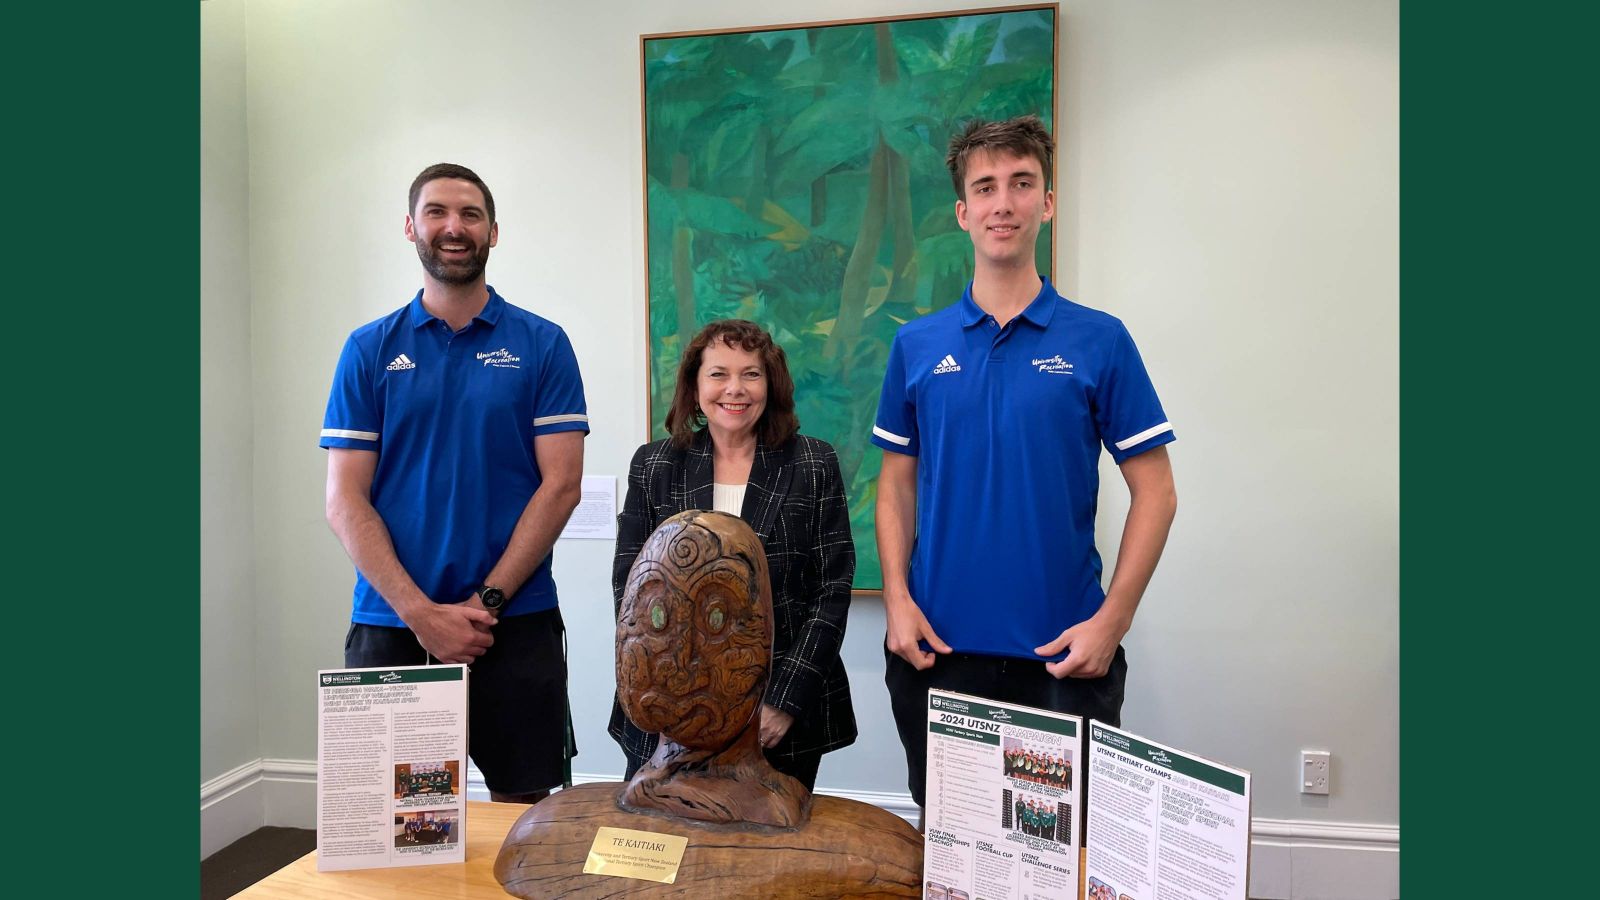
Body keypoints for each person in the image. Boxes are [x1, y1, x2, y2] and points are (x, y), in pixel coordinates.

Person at [872, 116, 1179, 820]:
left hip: (1063, 659)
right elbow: (894, 483)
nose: (1002, 202)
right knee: (954, 856)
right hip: (938, 655)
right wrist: (895, 598)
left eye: (1020, 183)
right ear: (962, 212)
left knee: (1055, 858)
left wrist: (1114, 620)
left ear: (1047, 202)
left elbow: (1156, 493)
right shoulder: (918, 347)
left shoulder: (1100, 340)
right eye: (985, 187)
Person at [321, 163, 588, 804]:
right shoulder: (368, 349)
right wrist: (422, 615)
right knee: (398, 829)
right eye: (437, 212)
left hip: (514, 625)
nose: (453, 227)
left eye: (470, 215)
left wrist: (484, 606)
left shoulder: (543, 345)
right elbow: (344, 499)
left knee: (526, 826)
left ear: (493, 232)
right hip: (392, 624)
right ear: (411, 227)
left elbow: (562, 486)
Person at [609, 319, 856, 790]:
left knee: (770, 854)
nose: (735, 389)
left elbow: (832, 590)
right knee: (660, 849)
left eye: (751, 374)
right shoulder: (655, 465)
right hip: (668, 705)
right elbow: (630, 588)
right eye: (719, 373)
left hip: (778, 713)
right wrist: (663, 697)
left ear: (771, 384)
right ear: (695, 385)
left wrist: (783, 700)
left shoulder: (813, 463)